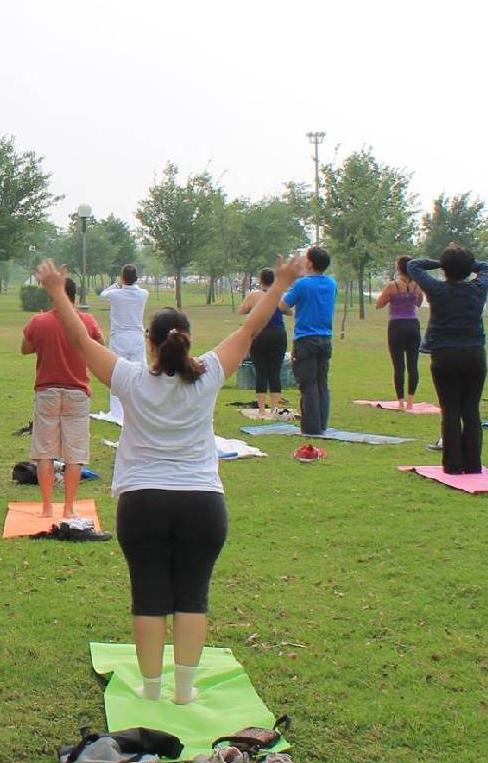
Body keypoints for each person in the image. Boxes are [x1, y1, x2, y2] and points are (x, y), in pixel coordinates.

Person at [36, 251, 299, 705]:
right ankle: (184, 690)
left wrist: (58, 292)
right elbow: (250, 330)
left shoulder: (131, 378)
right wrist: (279, 285)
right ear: (189, 341)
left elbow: (80, 339)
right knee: (192, 597)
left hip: (143, 503)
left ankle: (152, 688)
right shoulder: (209, 373)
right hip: (202, 503)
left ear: (149, 342)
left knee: (149, 597)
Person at [408, 246, 488, 474]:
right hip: (474, 353)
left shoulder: (437, 289)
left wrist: (443, 262)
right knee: (471, 409)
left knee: (450, 410)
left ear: (445, 270)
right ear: (468, 270)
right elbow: (487, 268)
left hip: (444, 354)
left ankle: (453, 465)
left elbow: (413, 265)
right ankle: (473, 464)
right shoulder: (477, 289)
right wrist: (463, 262)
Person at [21, 277, 103, 518]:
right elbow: (100, 345)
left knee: (45, 452)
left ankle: (47, 507)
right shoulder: (87, 321)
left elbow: (25, 348)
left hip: (47, 390)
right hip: (77, 391)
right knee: (75, 454)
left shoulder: (39, 321)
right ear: (75, 297)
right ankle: (68, 508)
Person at [283, 247, 337, 449]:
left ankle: (311, 428)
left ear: (311, 263)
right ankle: (322, 424)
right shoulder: (331, 283)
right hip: (325, 338)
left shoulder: (302, 284)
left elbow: (283, 305)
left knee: (308, 385)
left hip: (305, 339)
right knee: (322, 383)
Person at [99, 265, 149, 421]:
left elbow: (103, 294)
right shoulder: (143, 294)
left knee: (117, 374)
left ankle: (117, 412)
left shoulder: (116, 294)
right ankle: (140, 408)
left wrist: (117, 284)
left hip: (119, 338)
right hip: (137, 338)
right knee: (140, 375)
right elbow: (136, 289)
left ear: (123, 277)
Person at [374, 257, 425, 410]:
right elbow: (418, 303)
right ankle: (411, 402)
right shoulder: (417, 285)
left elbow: (379, 304)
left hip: (396, 326)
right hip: (413, 325)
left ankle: (401, 402)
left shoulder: (392, 285)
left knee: (398, 366)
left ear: (399, 268)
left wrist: (392, 298)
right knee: (413, 365)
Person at [235, 268, 288, 414]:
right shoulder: (280, 295)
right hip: (278, 334)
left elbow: (241, 310)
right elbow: (289, 311)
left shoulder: (254, 296)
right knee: (275, 372)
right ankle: (275, 408)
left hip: (259, 334)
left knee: (261, 372)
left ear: (260, 280)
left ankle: (262, 410)